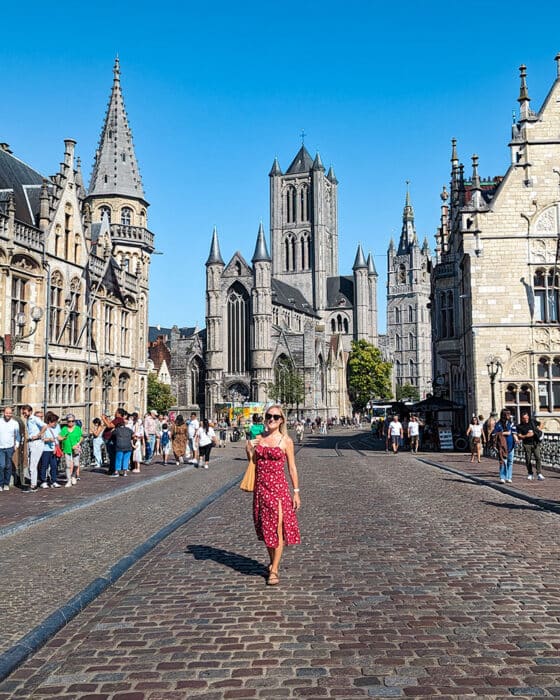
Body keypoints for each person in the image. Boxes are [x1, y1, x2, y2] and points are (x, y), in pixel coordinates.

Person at [246, 403, 301, 586]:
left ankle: (275, 569)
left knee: (277, 528)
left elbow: (292, 468)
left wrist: (296, 492)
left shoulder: (286, 441)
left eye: (276, 417)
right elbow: (253, 463)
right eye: (269, 416)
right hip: (261, 489)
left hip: (279, 490)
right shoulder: (258, 438)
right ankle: (272, 561)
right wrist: (249, 450)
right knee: (266, 529)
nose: (271, 419)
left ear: (281, 420)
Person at [21, 404, 46, 492]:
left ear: (30, 411)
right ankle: (33, 483)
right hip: (30, 443)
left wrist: (38, 435)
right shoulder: (28, 420)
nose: (24, 414)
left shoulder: (34, 419)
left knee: (33, 465)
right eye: (23, 412)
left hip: (36, 443)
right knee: (30, 464)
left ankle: (33, 485)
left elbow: (45, 426)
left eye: (25, 412)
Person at [516, 412, 545, 481]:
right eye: (524, 418)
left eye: (527, 418)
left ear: (528, 417)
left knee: (538, 457)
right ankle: (530, 473)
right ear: (521, 419)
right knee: (528, 459)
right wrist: (526, 435)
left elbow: (541, 423)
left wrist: (538, 430)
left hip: (535, 443)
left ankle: (539, 473)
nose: (526, 419)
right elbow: (519, 436)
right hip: (527, 444)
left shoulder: (532, 422)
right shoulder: (520, 426)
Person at [492, 408, 517, 483]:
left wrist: (516, 439)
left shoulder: (511, 423)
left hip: (511, 445)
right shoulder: (498, 424)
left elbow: (514, 433)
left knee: (510, 461)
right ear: (504, 415)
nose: (509, 416)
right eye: (508, 414)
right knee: (503, 461)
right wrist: (503, 433)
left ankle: (509, 477)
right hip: (502, 446)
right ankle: (502, 477)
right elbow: (494, 434)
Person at [59, 414, 83, 487]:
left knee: (76, 464)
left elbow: (81, 437)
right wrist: (62, 438)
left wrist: (78, 444)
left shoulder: (77, 428)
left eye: (73, 421)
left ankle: (73, 475)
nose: (71, 423)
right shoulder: (64, 429)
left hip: (75, 448)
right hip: (67, 448)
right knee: (67, 465)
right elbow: (60, 437)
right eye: (69, 421)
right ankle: (69, 480)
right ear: (67, 421)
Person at [0, 406, 20, 491]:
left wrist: (16, 445)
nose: (8, 414)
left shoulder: (15, 423)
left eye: (10, 413)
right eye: (7, 413)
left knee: (8, 466)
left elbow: (18, 435)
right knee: (1, 465)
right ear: (4, 413)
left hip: (10, 447)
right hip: (0, 447)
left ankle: (6, 483)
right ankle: (0, 484)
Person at [40, 412, 62, 488]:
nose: (55, 424)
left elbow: (58, 436)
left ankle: (54, 481)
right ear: (49, 422)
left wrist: (62, 438)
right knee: (44, 465)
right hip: (45, 450)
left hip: (54, 449)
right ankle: (43, 481)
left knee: (54, 465)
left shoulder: (57, 427)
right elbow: (42, 438)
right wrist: (49, 439)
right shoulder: (44, 427)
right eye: (54, 422)